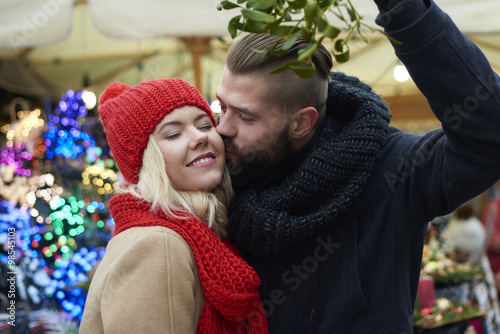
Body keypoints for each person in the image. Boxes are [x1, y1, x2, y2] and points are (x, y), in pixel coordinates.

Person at [214, 0, 500, 332]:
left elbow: (490, 136)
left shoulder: (393, 170)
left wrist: (403, 8)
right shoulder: (218, 176)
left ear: (301, 123)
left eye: (245, 116)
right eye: (222, 105)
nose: (222, 127)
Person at [79, 79, 268, 333]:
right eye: (173, 133)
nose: (200, 137)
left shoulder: (205, 231)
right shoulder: (158, 246)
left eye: (204, 124)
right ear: (145, 163)